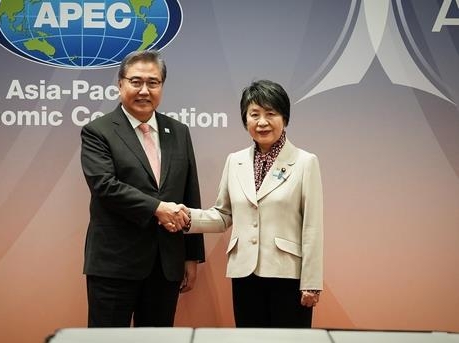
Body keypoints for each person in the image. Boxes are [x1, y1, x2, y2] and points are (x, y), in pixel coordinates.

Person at [182, 80, 323, 328]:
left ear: (285, 118)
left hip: (287, 275)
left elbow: (312, 227)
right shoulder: (234, 161)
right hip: (244, 273)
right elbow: (223, 215)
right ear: (245, 119)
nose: (262, 122)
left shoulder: (305, 162)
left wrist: (311, 282)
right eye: (254, 114)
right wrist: (186, 218)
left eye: (271, 114)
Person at [80, 50, 205, 328]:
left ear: (162, 86)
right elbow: (105, 186)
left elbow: (189, 194)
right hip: (115, 265)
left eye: (153, 82)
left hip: (166, 265)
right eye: (136, 82)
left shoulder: (179, 131)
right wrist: (157, 208)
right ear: (120, 84)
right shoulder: (98, 131)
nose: (144, 90)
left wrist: (191, 255)